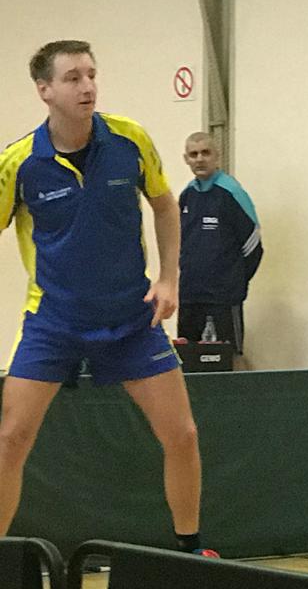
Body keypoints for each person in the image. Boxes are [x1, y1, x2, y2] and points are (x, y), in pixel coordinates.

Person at [0, 40, 212, 554]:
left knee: (182, 434)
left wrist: (169, 280)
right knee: (10, 439)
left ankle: (191, 549)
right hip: (52, 322)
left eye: (91, 74)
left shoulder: (129, 139)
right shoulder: (18, 162)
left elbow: (165, 206)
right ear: (45, 90)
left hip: (131, 319)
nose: (87, 86)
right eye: (72, 78)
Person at [178, 131, 262, 357]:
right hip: (190, 296)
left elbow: (253, 246)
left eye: (205, 153)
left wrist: (233, 281)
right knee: (188, 361)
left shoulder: (231, 193)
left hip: (223, 299)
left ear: (217, 155)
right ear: (186, 159)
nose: (199, 159)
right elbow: (179, 243)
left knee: (228, 359)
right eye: (193, 154)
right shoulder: (187, 196)